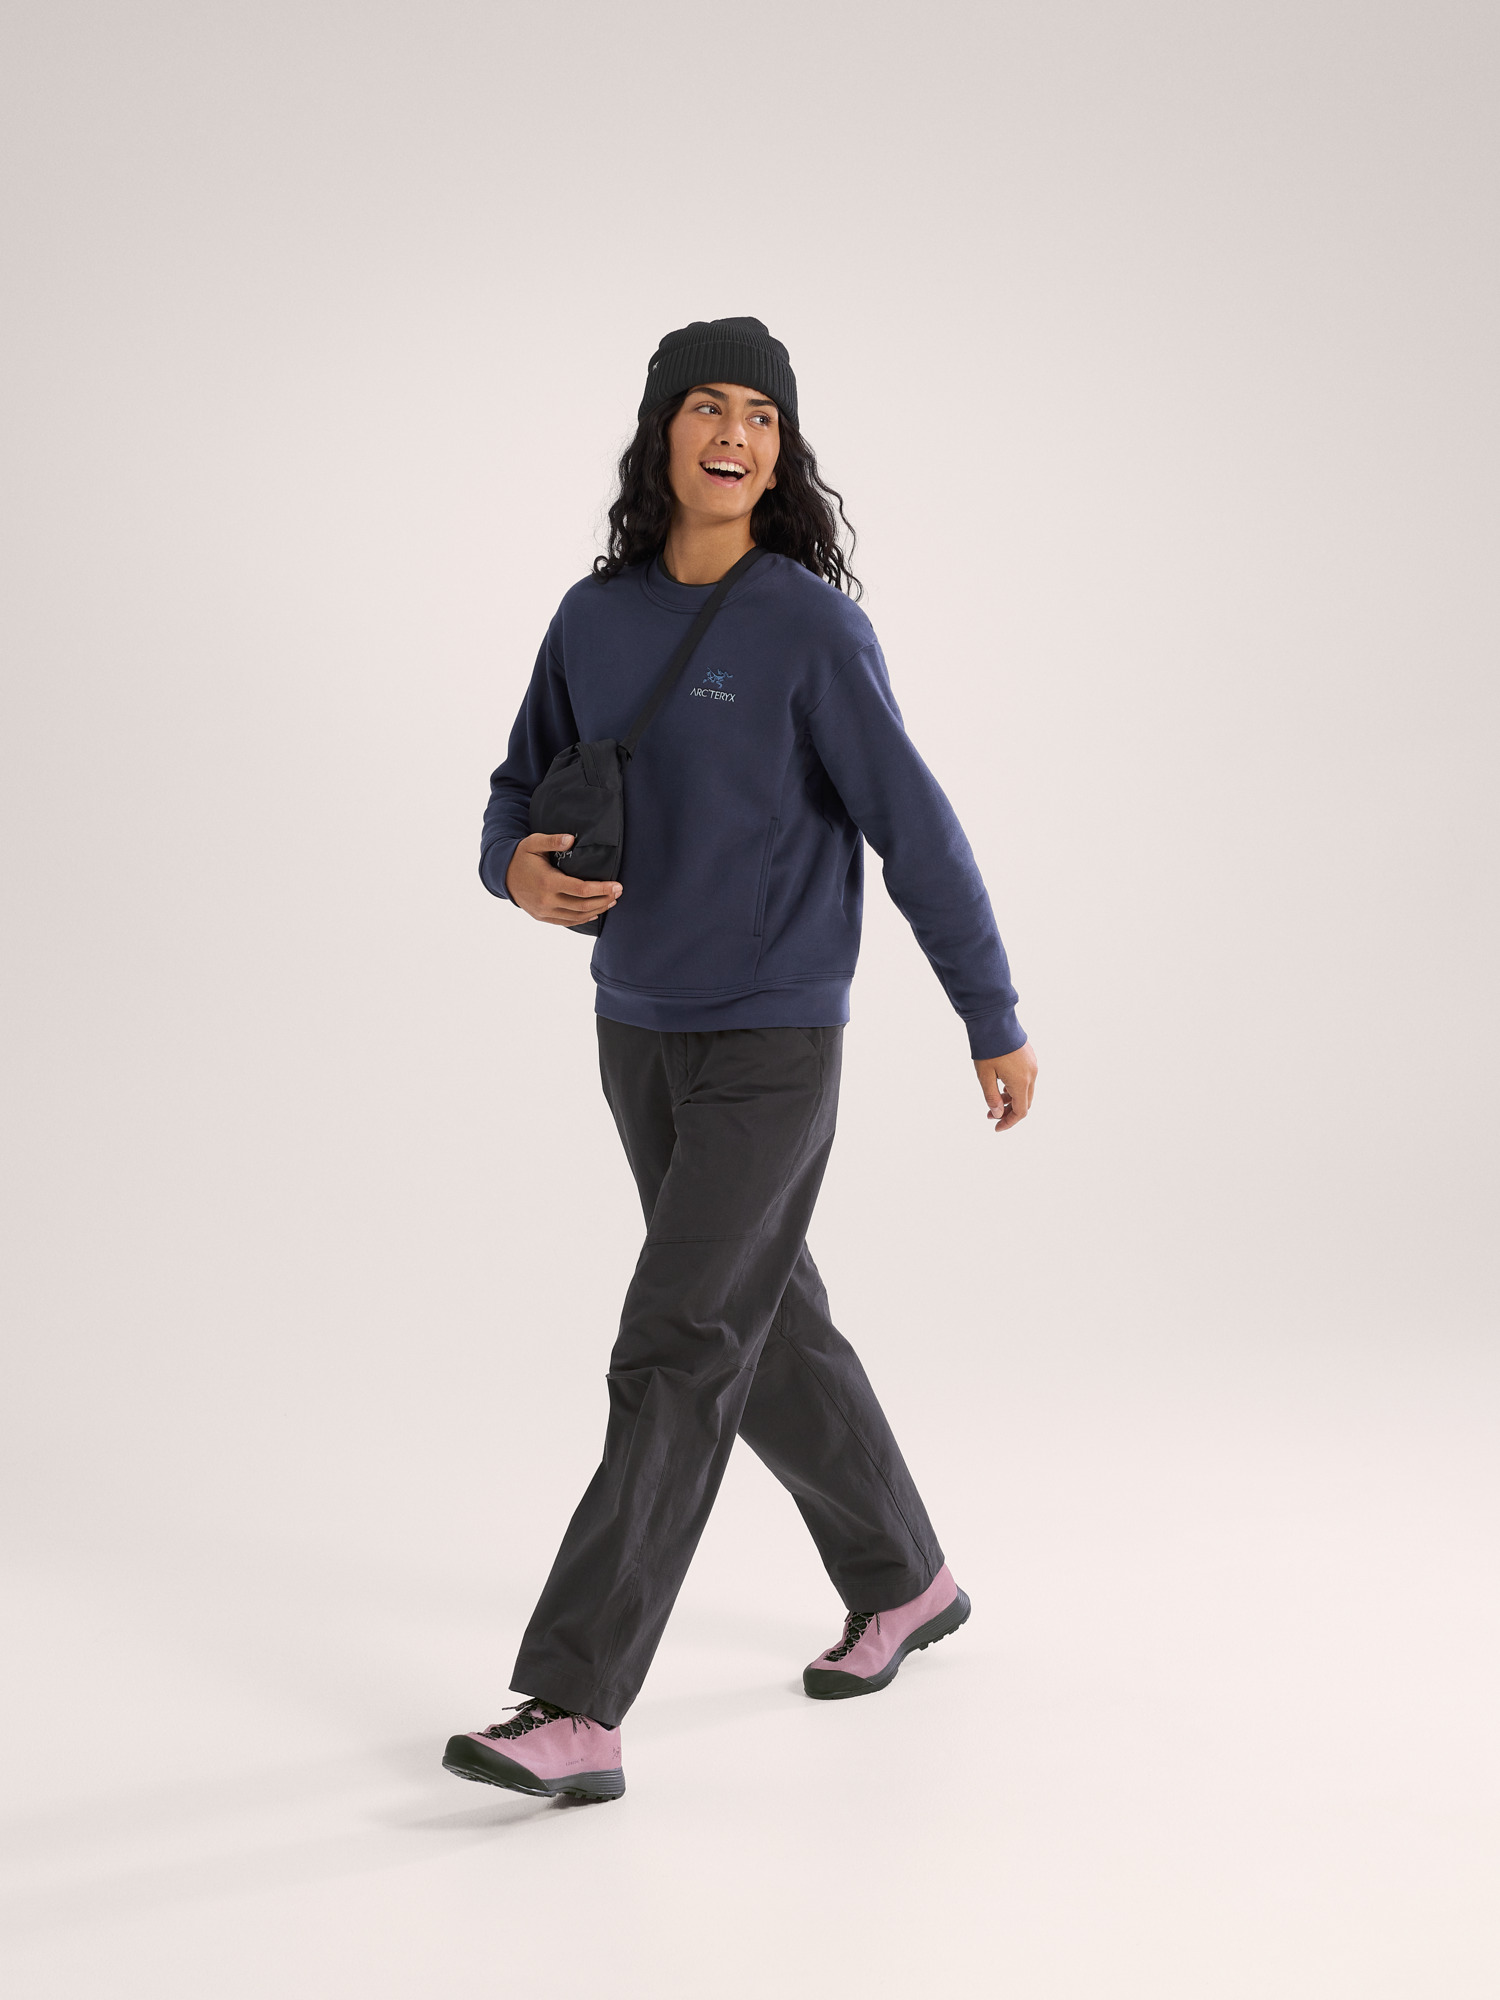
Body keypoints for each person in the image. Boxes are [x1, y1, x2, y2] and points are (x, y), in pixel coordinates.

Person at [443, 316, 1037, 1803]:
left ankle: (577, 1705)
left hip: (775, 1031)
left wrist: (991, 1012)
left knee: (680, 1341)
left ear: (782, 452)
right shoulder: (593, 617)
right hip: (634, 1025)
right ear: (662, 433)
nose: (734, 435)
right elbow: (515, 786)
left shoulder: (808, 627)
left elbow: (916, 828)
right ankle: (905, 1578)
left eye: (761, 416)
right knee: (760, 1323)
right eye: (707, 407)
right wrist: (514, 868)